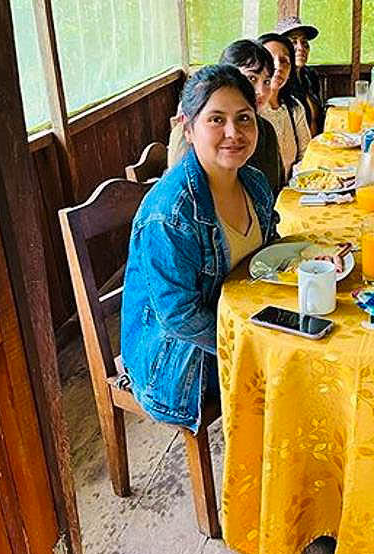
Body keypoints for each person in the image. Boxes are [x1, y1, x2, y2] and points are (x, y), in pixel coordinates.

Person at [121, 65, 278, 430]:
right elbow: (178, 317)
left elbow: (268, 253)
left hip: (238, 325)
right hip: (180, 362)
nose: (233, 133)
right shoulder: (171, 212)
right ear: (188, 128)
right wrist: (251, 344)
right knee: (298, 378)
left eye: (244, 118)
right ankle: (261, 477)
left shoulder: (253, 182)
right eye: (216, 120)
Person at [168, 40, 286, 196]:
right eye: (251, 79)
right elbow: (184, 192)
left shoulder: (265, 129)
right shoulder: (190, 131)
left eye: (266, 81)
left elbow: (273, 189)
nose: (261, 91)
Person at [257, 32, 312, 183]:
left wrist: (296, 182)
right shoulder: (250, 112)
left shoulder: (294, 107)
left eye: (284, 61)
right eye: (269, 59)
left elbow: (306, 154)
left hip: (292, 191)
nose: (277, 67)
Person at [277, 15, 325, 136]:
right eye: (293, 42)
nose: (301, 48)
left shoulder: (310, 75)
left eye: (304, 42)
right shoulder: (280, 84)